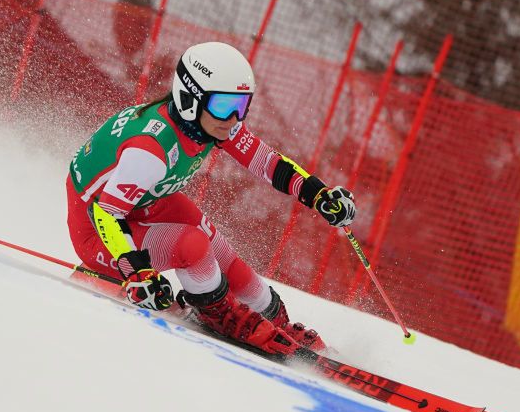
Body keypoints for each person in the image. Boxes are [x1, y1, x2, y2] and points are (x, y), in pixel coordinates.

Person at [65, 41, 356, 356]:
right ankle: (218, 315)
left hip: (145, 204)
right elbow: (106, 213)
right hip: (98, 229)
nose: (232, 118)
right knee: (192, 245)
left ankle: (274, 319)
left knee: (218, 248)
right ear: (191, 98)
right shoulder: (150, 149)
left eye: (241, 106)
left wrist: (318, 195)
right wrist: (136, 272)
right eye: (223, 105)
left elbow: (268, 164)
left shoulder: (210, 124)